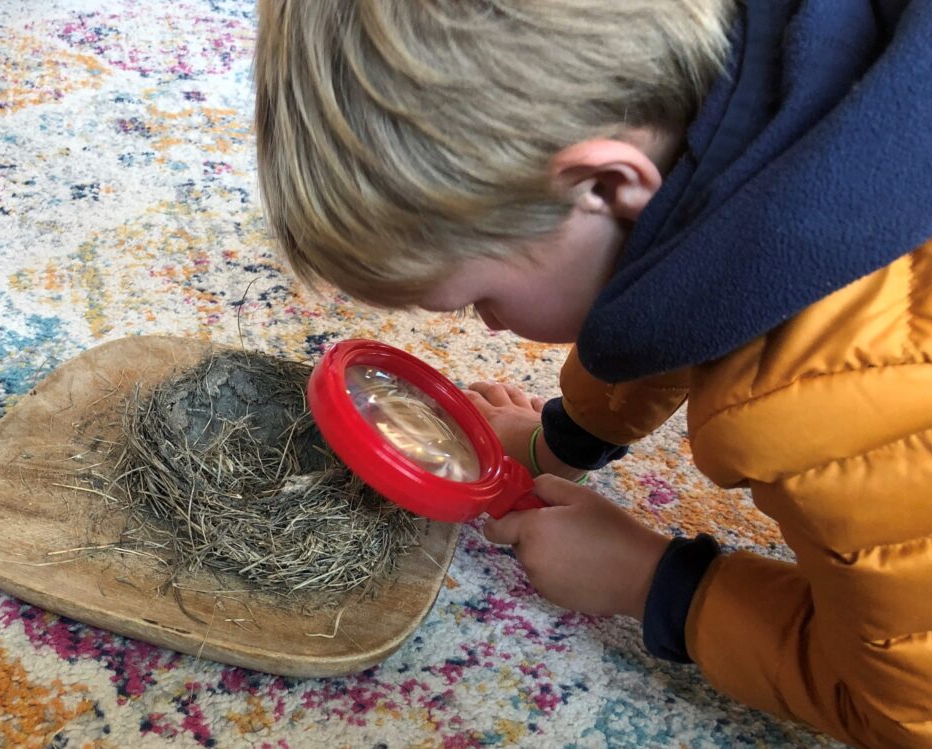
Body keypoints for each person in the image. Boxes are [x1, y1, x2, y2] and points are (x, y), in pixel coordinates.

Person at [253, 2, 932, 746]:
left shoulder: (829, 399)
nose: (485, 326)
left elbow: (905, 708)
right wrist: (565, 441)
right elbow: (684, 271)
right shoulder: (774, 72)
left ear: (606, 185)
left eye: (483, 297)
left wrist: (655, 581)